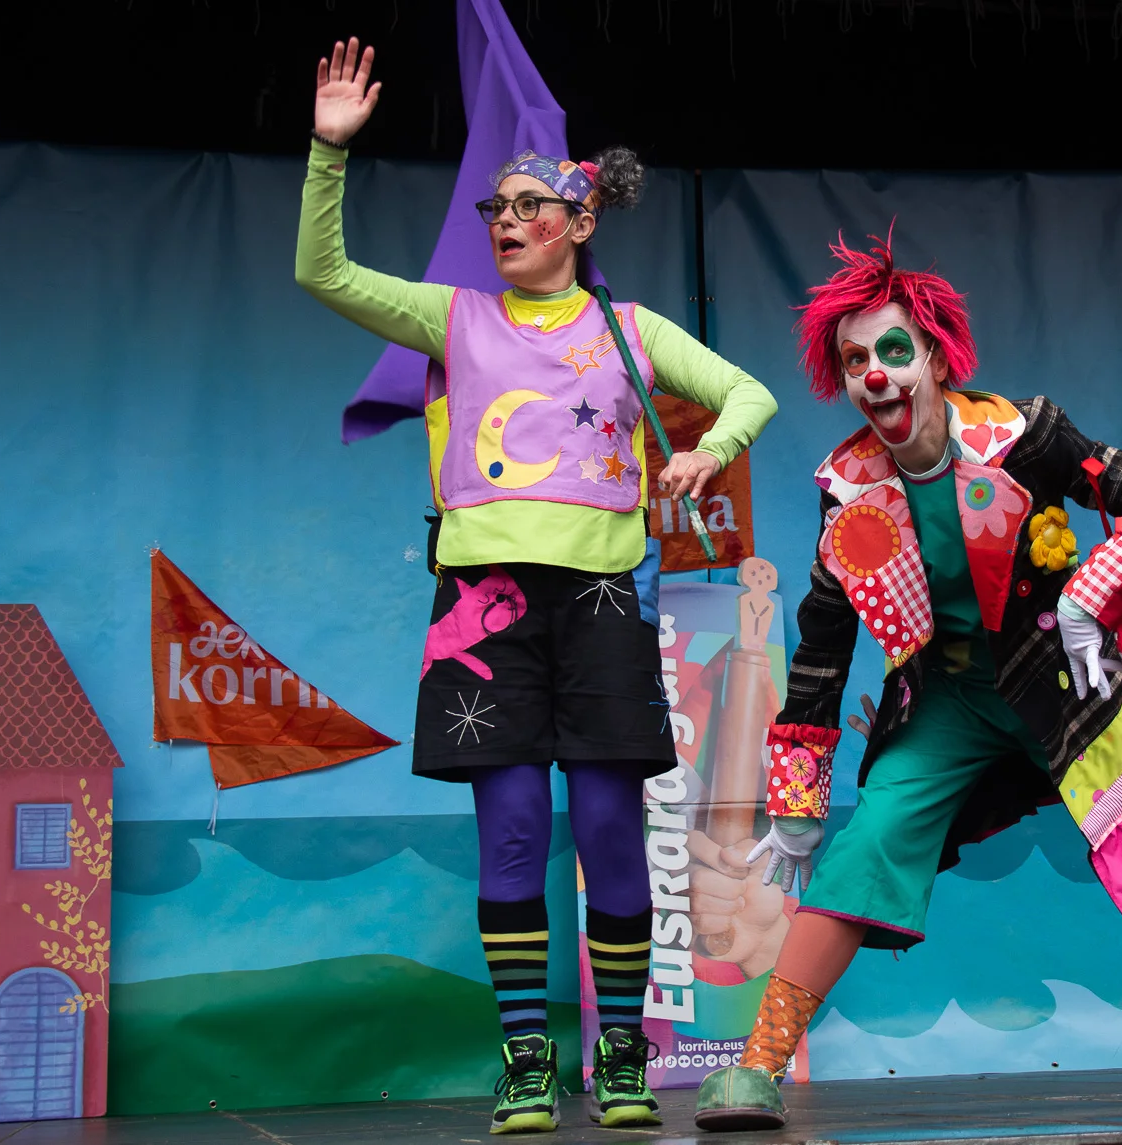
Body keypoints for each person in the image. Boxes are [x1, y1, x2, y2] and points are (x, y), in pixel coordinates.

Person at [693, 233, 1122, 1131]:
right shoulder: (848, 486)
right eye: (856, 361)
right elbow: (824, 640)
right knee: (867, 849)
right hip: (949, 700)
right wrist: (796, 796)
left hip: (1071, 681)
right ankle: (759, 1066)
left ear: (936, 358)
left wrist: (1094, 594)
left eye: (893, 350)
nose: (876, 375)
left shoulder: (1023, 436)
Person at [296, 38, 777, 1134]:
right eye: (496, 209)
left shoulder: (630, 330)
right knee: (511, 829)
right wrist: (330, 153)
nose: (505, 222)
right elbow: (323, 274)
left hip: (601, 606)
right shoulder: (453, 318)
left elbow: (748, 392)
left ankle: (619, 1056)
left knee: (609, 831)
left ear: (580, 220)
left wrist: (706, 453)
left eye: (528, 206)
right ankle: (524, 1058)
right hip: (484, 608)